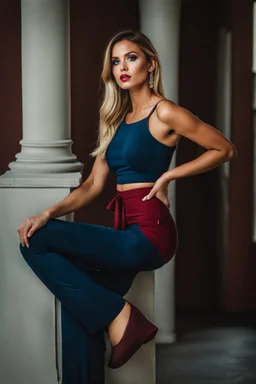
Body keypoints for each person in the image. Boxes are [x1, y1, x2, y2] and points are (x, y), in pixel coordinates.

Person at [17, 29, 237, 384]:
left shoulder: (164, 112)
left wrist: (168, 177)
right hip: (125, 233)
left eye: (131, 58)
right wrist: (47, 213)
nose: (122, 67)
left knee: (38, 242)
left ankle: (124, 316)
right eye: (116, 61)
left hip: (150, 233)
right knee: (79, 309)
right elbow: (91, 186)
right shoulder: (117, 123)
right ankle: (113, 327)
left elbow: (225, 149)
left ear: (150, 64)